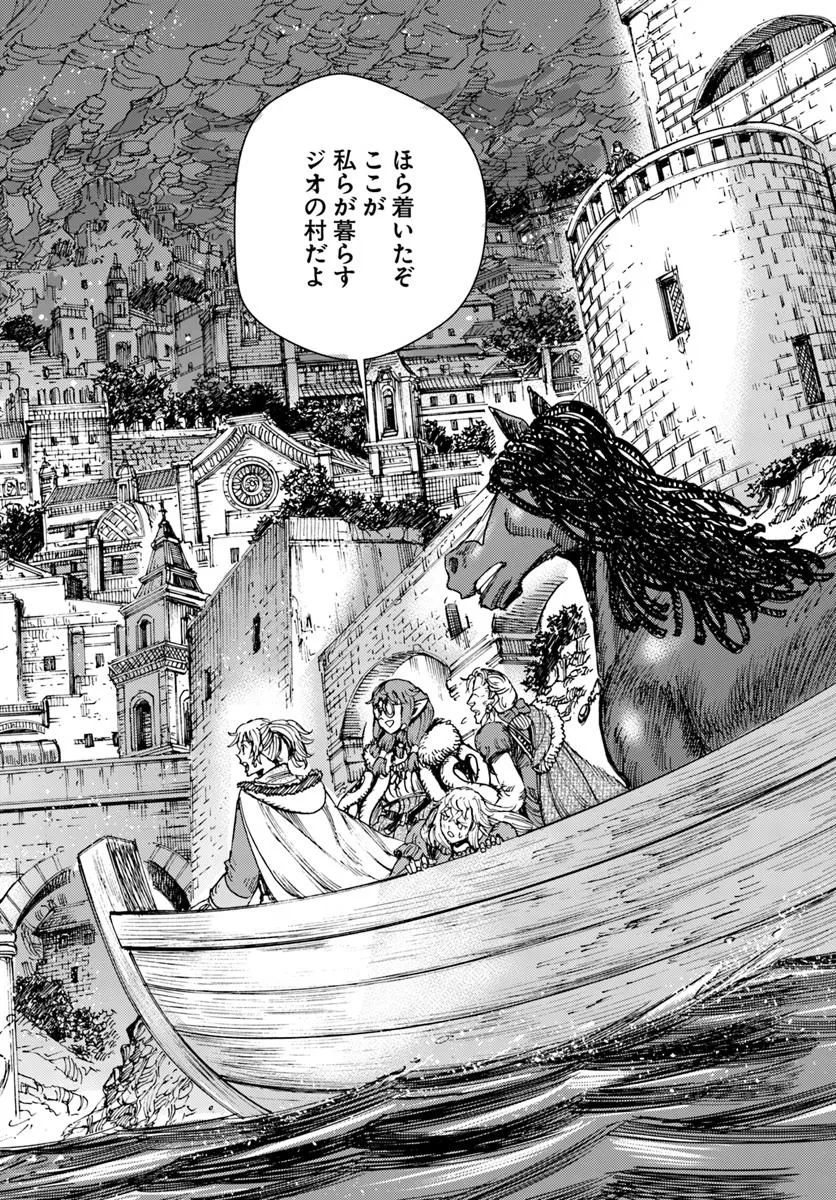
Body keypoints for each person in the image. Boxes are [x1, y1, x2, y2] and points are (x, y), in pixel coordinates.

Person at [197, 717, 400, 908]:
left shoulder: (251, 800)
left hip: (292, 910)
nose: (240, 756)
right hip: (353, 895)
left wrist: (212, 905)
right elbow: (352, 836)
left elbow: (242, 878)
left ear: (262, 754)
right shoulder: (315, 790)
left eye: (244, 748)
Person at [465, 668, 546, 826]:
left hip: (534, 815)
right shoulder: (522, 718)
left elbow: (514, 794)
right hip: (546, 803)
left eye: (475, 693)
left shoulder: (491, 733)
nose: (470, 701)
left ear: (493, 698)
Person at [394, 785, 531, 874]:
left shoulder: (488, 836)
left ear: (474, 825)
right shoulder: (430, 843)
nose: (449, 828)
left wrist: (497, 845)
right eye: (445, 818)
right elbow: (394, 879)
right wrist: (414, 872)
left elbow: (509, 834)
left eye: (460, 824)